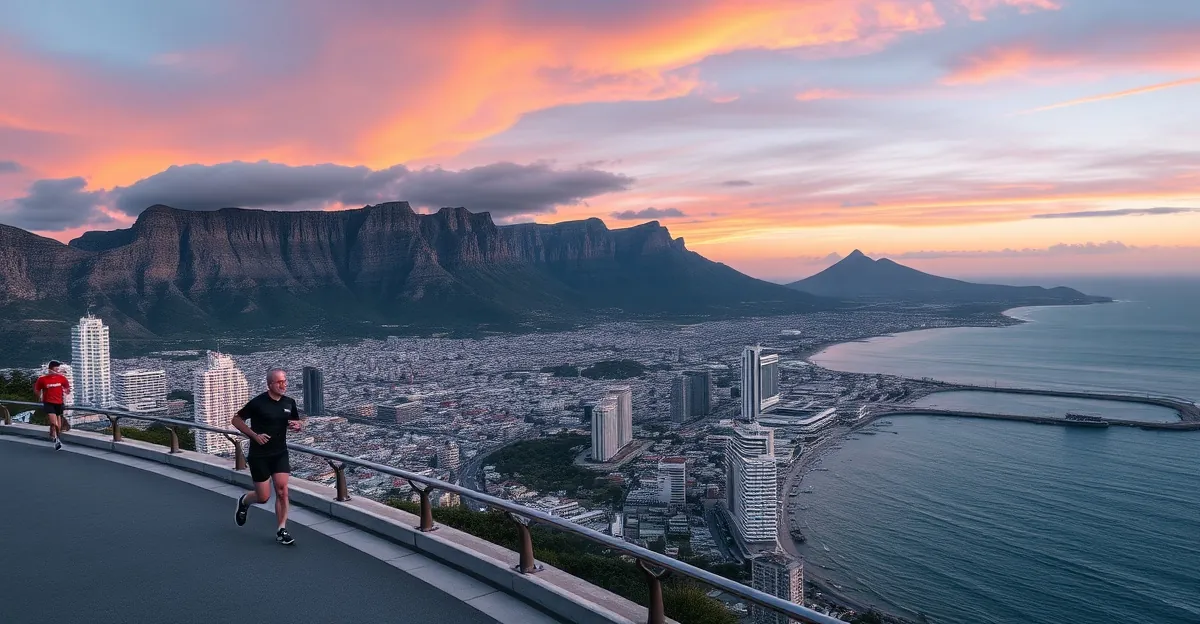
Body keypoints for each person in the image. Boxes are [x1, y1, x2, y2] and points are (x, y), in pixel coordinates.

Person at [231, 368, 303, 545]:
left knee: (282, 490)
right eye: (279, 382)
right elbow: (236, 419)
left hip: (280, 453)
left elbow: (297, 421)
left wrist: (297, 426)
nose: (283, 384)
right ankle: (245, 501)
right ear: (270, 384)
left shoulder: (289, 402)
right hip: (259, 455)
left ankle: (281, 529)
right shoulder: (258, 403)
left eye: (285, 381)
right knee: (263, 497)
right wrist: (254, 435)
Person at [33, 361, 71, 451]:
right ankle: (57, 440)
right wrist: (40, 397)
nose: (57, 370)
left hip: (59, 402)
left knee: (58, 421)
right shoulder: (42, 379)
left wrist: (66, 394)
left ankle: (54, 435)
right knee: (54, 422)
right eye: (55, 369)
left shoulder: (62, 378)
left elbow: (67, 388)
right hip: (49, 403)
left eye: (58, 368)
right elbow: (37, 389)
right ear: (50, 369)